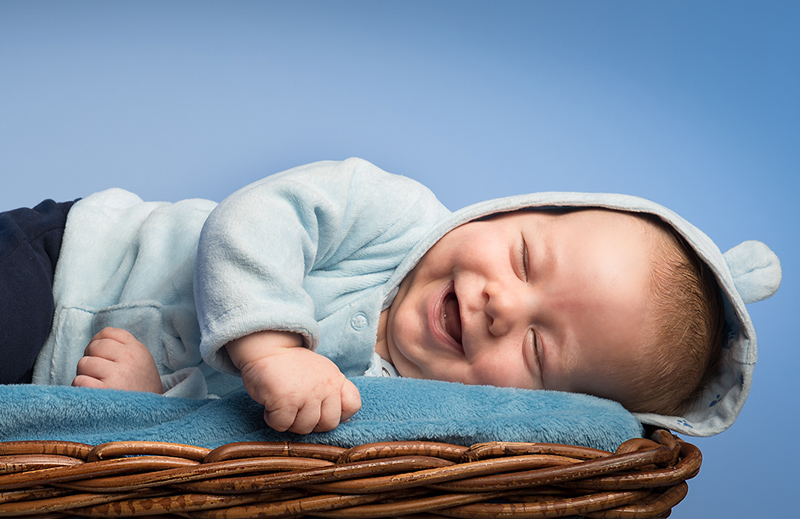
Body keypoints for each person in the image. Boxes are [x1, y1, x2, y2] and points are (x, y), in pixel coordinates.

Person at [1, 158, 781, 437]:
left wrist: (148, 410)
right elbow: (255, 219)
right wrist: (271, 348)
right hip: (71, 256)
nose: (500, 305)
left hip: (65, 375)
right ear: (512, 211)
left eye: (537, 348)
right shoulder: (396, 215)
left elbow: (228, 446)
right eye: (520, 256)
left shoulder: (389, 410)